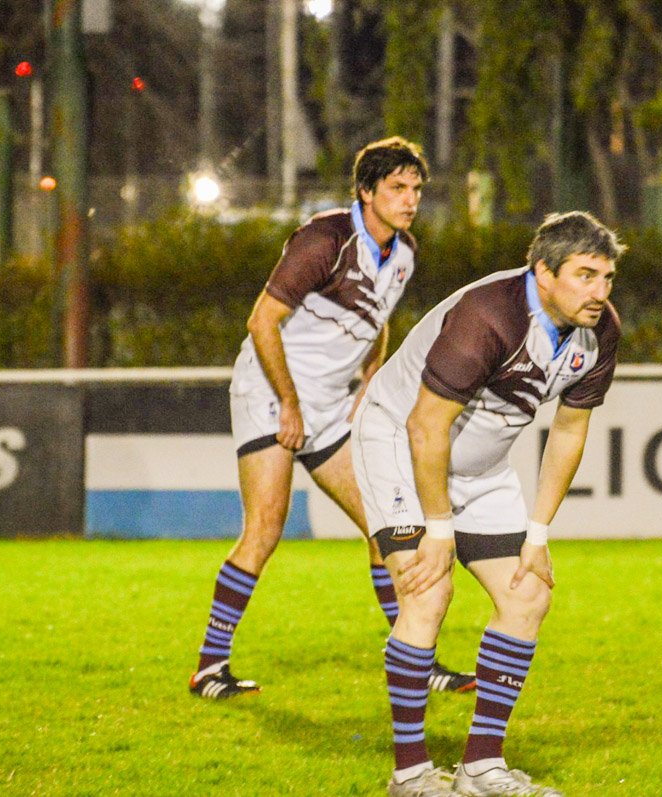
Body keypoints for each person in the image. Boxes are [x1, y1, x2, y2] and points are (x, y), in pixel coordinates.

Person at [189, 136, 475, 699]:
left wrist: (372, 376)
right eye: (397, 187)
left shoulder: (406, 254)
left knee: (391, 529)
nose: (410, 198)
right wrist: (290, 404)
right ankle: (208, 667)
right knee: (266, 529)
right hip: (271, 391)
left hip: (325, 406)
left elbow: (378, 320)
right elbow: (261, 322)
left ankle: (416, 660)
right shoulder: (326, 239)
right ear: (366, 192)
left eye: (416, 188)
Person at [351, 211, 624, 797]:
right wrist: (440, 529)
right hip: (399, 445)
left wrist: (539, 532)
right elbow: (425, 427)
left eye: (607, 277)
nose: (599, 292)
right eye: (585, 275)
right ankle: (411, 775)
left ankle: (480, 770)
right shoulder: (488, 315)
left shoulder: (598, 332)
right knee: (429, 591)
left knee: (527, 595)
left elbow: (570, 431)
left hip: (478, 467)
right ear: (544, 272)